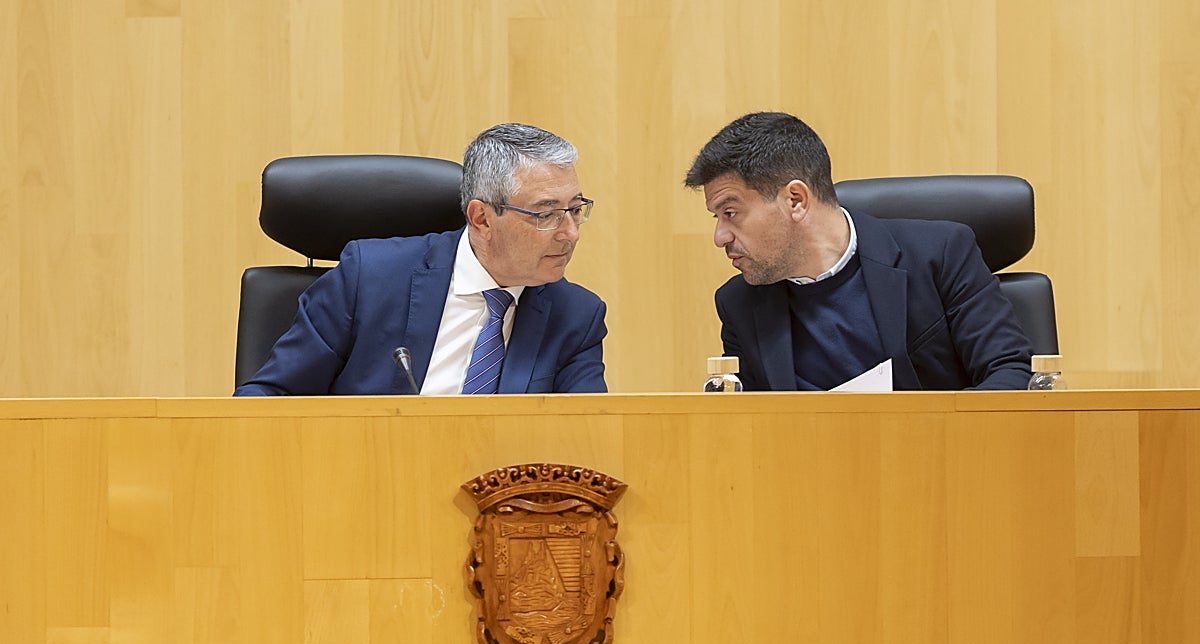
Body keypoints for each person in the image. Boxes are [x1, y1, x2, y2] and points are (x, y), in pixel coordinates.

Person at [235, 123, 607, 396]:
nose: (570, 233)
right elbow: (269, 399)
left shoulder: (576, 315)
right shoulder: (370, 278)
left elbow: (587, 439)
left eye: (575, 210)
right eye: (546, 214)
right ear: (481, 218)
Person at [683, 112, 1032, 391]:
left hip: (944, 468)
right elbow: (751, 427)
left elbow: (1011, 374)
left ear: (795, 200)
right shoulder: (739, 304)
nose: (720, 236)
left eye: (730, 213)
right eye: (717, 218)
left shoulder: (939, 255)